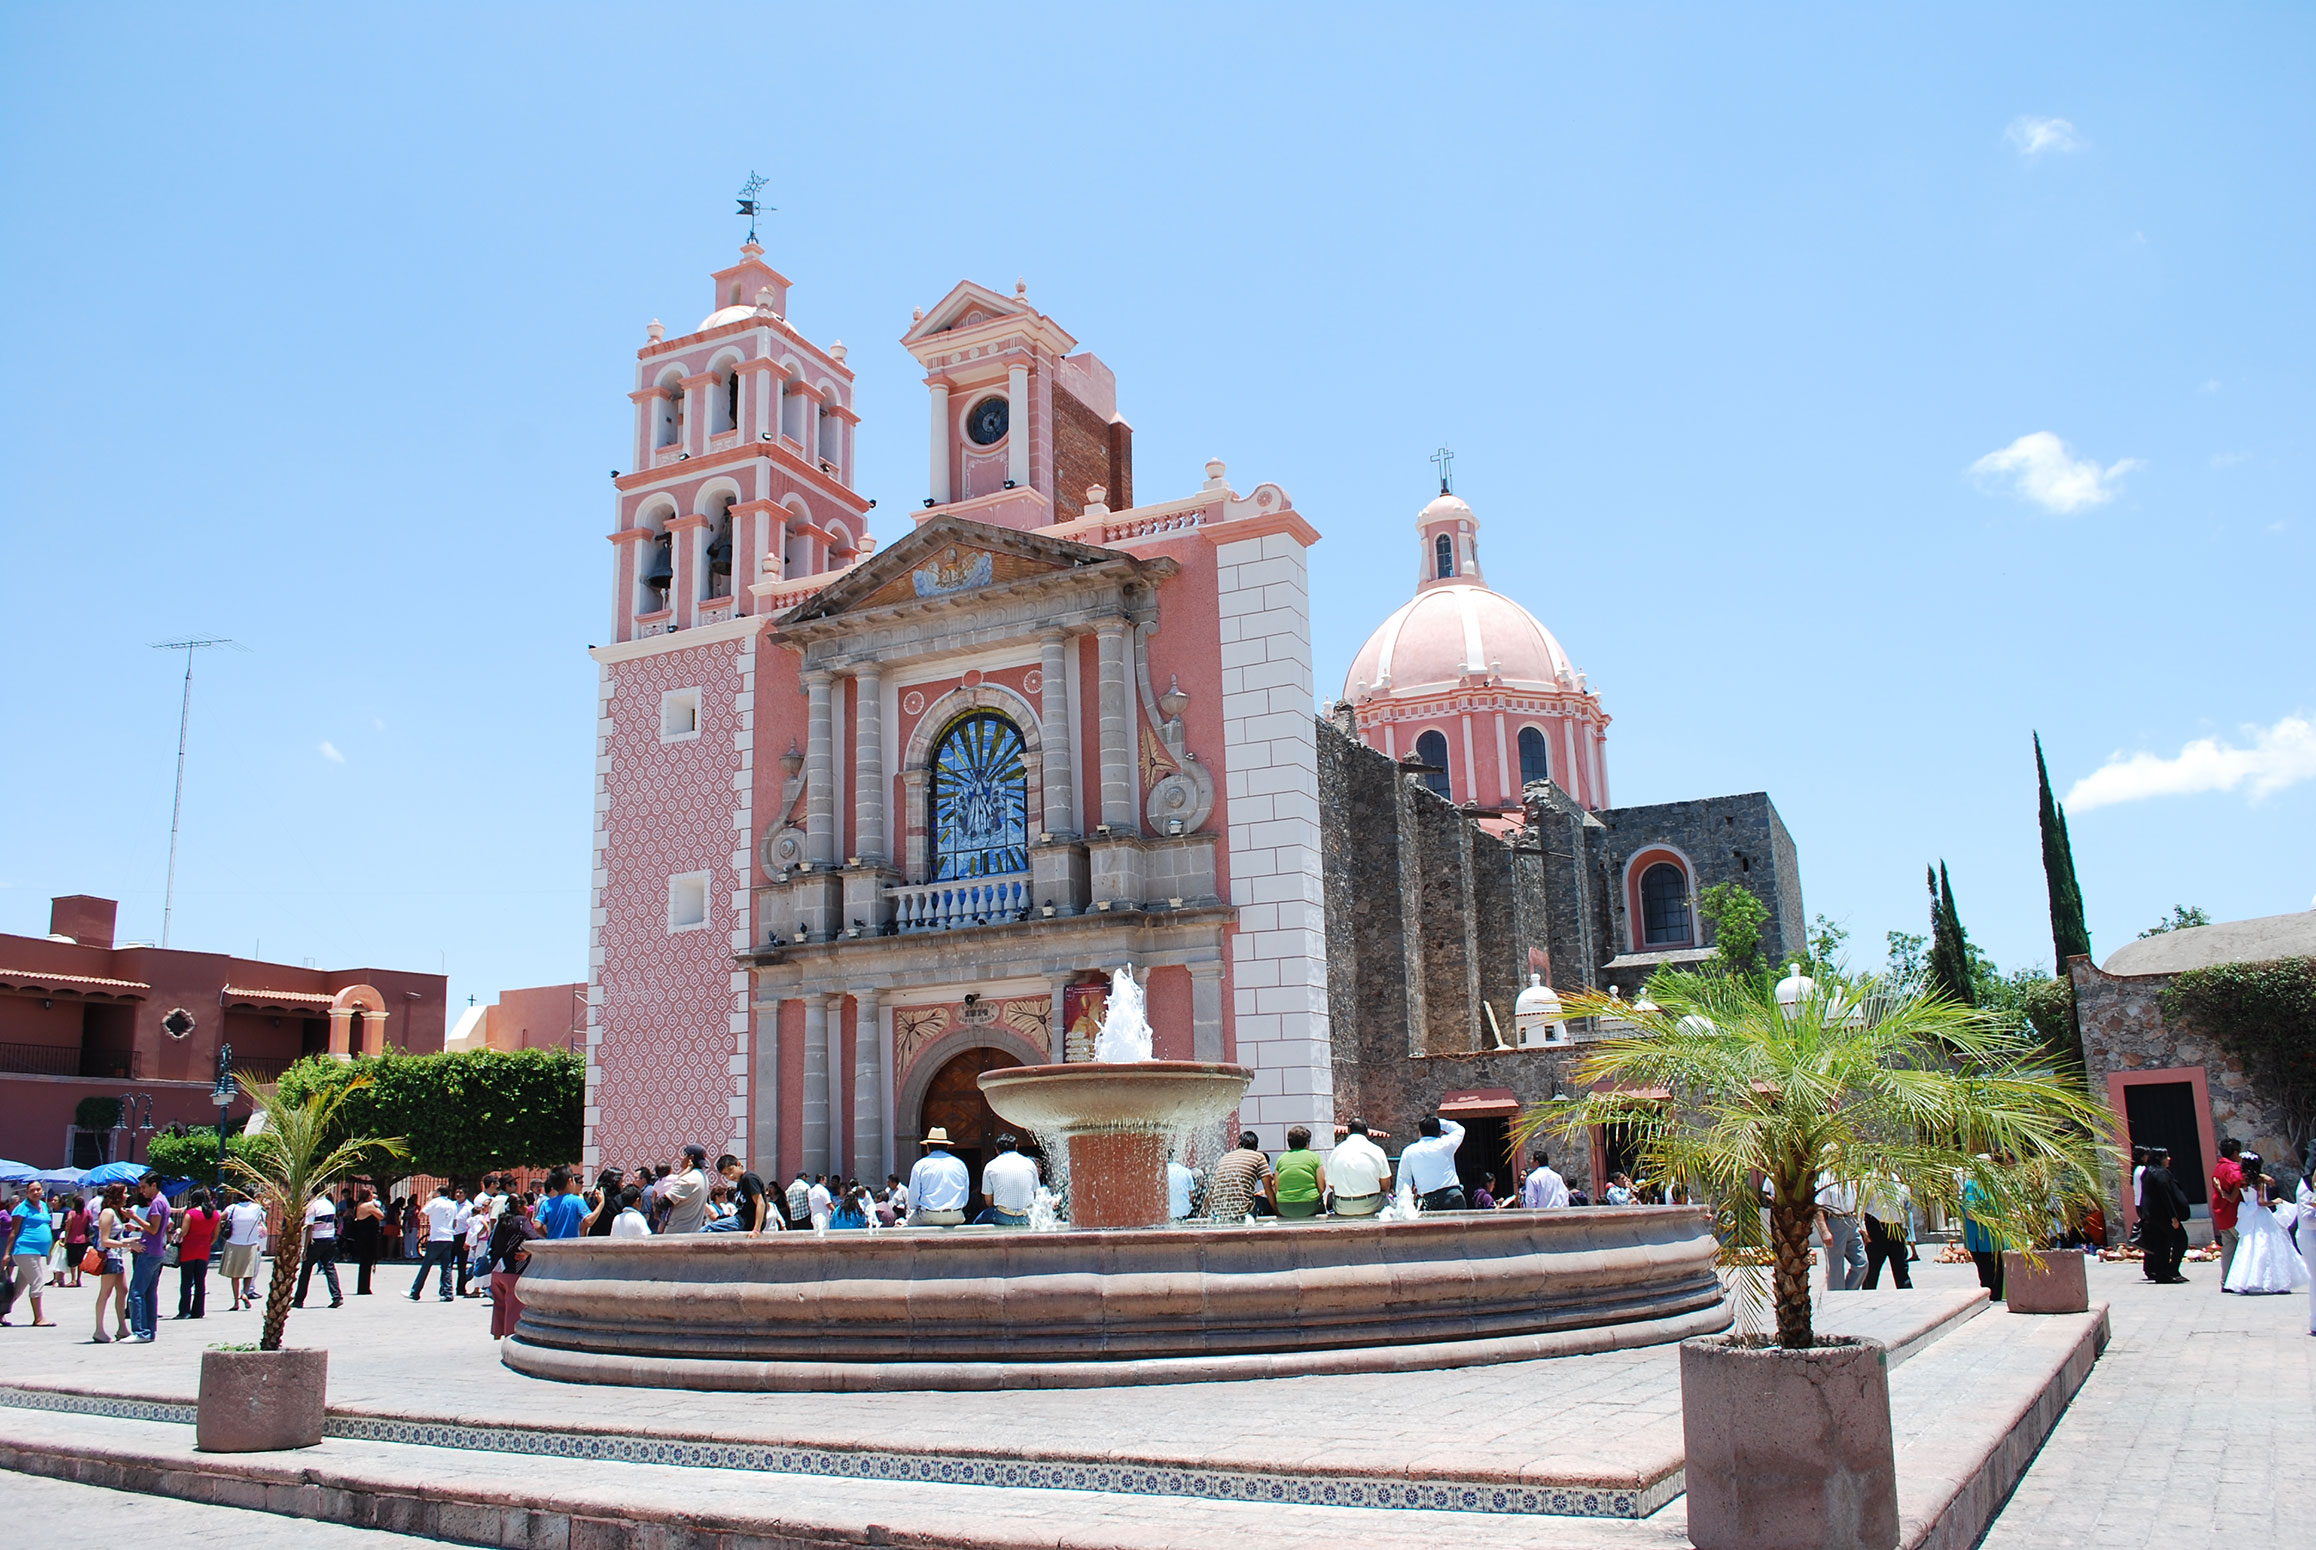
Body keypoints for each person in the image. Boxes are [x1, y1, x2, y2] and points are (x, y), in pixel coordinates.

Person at [2222, 1166, 2309, 1295]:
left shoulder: (2241, 1182)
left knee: (2248, 1247)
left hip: (2248, 1216)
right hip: (2261, 1215)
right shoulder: (2259, 1182)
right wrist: (2275, 1201)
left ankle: (2245, 1281)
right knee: (2268, 1245)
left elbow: (2231, 1197)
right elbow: (2261, 1202)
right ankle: (2273, 1282)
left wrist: (2220, 1189)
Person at [485, 1198, 541, 1340]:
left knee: (499, 1302)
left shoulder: (501, 1221)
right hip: (513, 1269)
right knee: (514, 1304)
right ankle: (511, 1334)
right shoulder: (521, 1221)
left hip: (497, 1270)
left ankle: (498, 1331)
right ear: (520, 1207)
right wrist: (527, 1252)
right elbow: (534, 1239)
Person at [125, 1172, 172, 1340]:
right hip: (157, 1250)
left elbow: (153, 1228)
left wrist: (135, 1217)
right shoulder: (163, 1202)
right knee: (150, 1292)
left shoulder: (157, 1204)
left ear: (154, 1185)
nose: (142, 1191)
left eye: (144, 1187)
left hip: (149, 1252)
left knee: (136, 1292)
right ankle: (149, 1330)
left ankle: (140, 1331)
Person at [2137, 1146, 2192, 1284]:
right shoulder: (2161, 1174)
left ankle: (2162, 1273)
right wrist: (2173, 1216)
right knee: (2181, 1240)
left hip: (2151, 1216)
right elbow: (2166, 1196)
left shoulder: (2147, 1173)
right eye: (2166, 1157)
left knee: (2161, 1244)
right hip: (2164, 1216)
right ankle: (2172, 1270)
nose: (2168, 1159)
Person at [6, 1181, 57, 1327]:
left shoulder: (44, 1206)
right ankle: (39, 1318)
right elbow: (13, 1232)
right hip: (24, 1249)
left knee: (18, 1287)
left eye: (38, 1189)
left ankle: (1, 1312)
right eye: (32, 1190)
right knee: (37, 1280)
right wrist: (6, 1254)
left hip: (36, 1252)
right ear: (27, 1193)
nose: (36, 1192)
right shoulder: (21, 1209)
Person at [90, 1183, 135, 1342]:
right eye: (124, 1193)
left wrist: (133, 1239)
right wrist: (127, 1244)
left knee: (122, 1290)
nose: (127, 1196)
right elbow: (105, 1240)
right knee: (105, 1293)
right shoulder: (108, 1213)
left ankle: (122, 1327)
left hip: (116, 1257)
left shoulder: (116, 1213)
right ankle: (99, 1329)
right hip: (109, 1257)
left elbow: (118, 1238)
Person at [1397, 1115, 1467, 1212]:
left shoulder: (1409, 1151)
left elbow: (1403, 1179)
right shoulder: (1445, 1144)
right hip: (1451, 1196)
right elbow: (1459, 1129)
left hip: (1428, 1200)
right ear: (1439, 1132)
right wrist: (1438, 1122)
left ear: (1420, 1133)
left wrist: (1402, 1203)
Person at [1203, 1131, 1276, 1222]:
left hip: (1220, 1209)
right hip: (1242, 1210)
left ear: (1238, 1145)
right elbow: (1268, 1189)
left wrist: (1205, 1210)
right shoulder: (1259, 1157)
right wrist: (1276, 1210)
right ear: (1255, 1147)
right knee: (1266, 1203)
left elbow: (1212, 1189)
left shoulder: (1225, 1158)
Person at [1326, 1119, 1393, 1217]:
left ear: (1348, 1130)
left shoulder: (1336, 1151)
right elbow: (1386, 1184)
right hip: (1371, 1203)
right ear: (1366, 1132)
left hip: (1343, 1206)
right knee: (1392, 1205)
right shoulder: (1376, 1150)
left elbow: (1331, 1184)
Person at [907, 1128, 972, 1225]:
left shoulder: (920, 1165)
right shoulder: (959, 1164)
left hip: (929, 1216)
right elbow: (965, 1196)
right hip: (956, 1215)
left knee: (904, 1226)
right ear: (947, 1147)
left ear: (928, 1147)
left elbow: (912, 1200)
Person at [172, 1187, 219, 1319]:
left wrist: (178, 1232)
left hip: (188, 1250)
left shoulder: (190, 1213)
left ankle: (184, 1310)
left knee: (186, 1281)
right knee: (200, 1281)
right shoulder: (214, 1214)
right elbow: (215, 1235)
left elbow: (184, 1232)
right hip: (203, 1250)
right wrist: (207, 1244)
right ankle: (198, 1311)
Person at [293, 1186, 343, 1309]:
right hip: (329, 1238)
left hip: (316, 1240)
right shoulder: (330, 1205)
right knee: (329, 1267)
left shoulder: (312, 1206)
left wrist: (305, 1247)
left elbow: (310, 1227)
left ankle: (299, 1300)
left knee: (306, 1269)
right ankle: (337, 1296)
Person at [1815, 1172, 1866, 1292]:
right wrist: (1825, 1231)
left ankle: (1848, 1291)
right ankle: (1836, 1293)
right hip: (1834, 1220)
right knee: (1836, 1266)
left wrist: (1861, 1225)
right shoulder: (1825, 1177)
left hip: (1851, 1220)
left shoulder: (1848, 1175)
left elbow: (1858, 1202)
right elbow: (1817, 1206)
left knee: (1862, 1263)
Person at [409, 1185, 461, 1301]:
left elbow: (421, 1214)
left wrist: (429, 1202)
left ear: (438, 1192)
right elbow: (455, 1222)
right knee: (446, 1266)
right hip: (448, 1237)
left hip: (436, 1237)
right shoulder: (452, 1204)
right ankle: (448, 1292)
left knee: (426, 1265)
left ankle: (415, 1291)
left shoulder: (434, 1202)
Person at [218, 1188, 267, 1311]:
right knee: (248, 1272)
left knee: (235, 1275)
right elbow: (262, 1220)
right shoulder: (257, 1209)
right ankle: (245, 1293)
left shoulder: (232, 1208)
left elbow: (219, 1218)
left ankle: (236, 1302)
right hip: (251, 1243)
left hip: (234, 1243)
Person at [1861, 1176, 1913, 1290]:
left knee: (1901, 1264)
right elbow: (1861, 1205)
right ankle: (1868, 1292)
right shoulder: (1869, 1179)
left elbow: (1900, 1203)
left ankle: (1906, 1291)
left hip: (1896, 1226)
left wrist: (1903, 1226)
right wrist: (1863, 1229)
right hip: (1876, 1226)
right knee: (1873, 1266)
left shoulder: (1895, 1178)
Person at [981, 1135, 1040, 1227]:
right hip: (1026, 1216)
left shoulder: (990, 1166)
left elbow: (988, 1200)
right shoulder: (1030, 1164)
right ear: (1016, 1147)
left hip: (1003, 1216)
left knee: (978, 1221)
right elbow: (1037, 1194)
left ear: (996, 1149)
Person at [2211, 1139, 2246, 1285]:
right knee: (2244, 1247)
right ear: (2235, 1153)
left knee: (2228, 1250)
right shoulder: (2233, 1168)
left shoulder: (2218, 1167)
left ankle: (2226, 1281)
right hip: (2234, 1215)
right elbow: (2240, 1182)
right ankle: (2242, 1280)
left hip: (2222, 1215)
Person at [1273, 1127, 1326, 1220]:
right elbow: (1321, 1188)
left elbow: (1277, 1188)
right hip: (1310, 1205)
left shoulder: (1281, 1159)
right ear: (1307, 1143)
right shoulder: (1315, 1158)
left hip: (1284, 1207)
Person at [660, 1145, 711, 1235]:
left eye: (684, 1155)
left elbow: (662, 1203)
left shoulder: (688, 1179)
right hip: (694, 1230)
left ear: (691, 1157)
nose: (681, 1157)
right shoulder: (703, 1177)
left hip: (677, 1232)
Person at [344, 1186, 385, 1296]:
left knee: (365, 1262)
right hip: (368, 1237)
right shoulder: (368, 1206)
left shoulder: (360, 1205)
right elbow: (381, 1216)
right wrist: (375, 1205)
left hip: (363, 1236)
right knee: (366, 1262)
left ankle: (364, 1286)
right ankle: (364, 1287)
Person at [537, 1168, 588, 1239]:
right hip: (571, 1245)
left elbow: (537, 1226)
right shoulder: (577, 1200)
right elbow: (588, 1220)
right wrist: (601, 1203)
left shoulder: (547, 1203)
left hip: (553, 1244)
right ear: (570, 1181)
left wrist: (547, 1236)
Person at [61, 1191, 89, 1289]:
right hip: (84, 1239)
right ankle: (79, 1279)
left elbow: (68, 1227)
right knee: (80, 1260)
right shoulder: (87, 1212)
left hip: (72, 1239)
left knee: (72, 1261)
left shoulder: (72, 1213)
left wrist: (65, 1240)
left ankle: (73, 1279)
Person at [1167, 1156, 1199, 1220]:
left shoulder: (1162, 1171)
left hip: (1166, 1213)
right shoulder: (1186, 1171)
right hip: (1184, 1212)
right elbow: (1191, 1194)